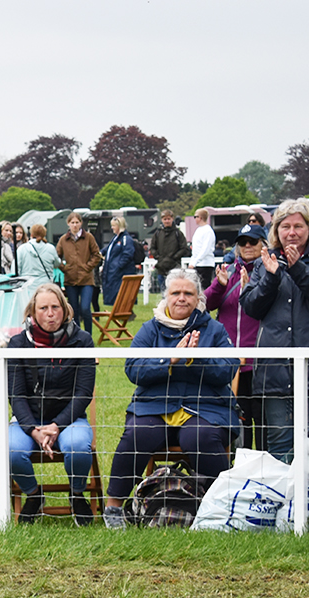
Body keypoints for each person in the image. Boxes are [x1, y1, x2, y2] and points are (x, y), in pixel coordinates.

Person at [103, 269, 237, 527]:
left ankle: (219, 508)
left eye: (188, 293)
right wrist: (170, 359)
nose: (182, 298)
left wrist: (195, 359)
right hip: (154, 407)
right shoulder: (149, 329)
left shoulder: (215, 330)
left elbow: (227, 370)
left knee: (200, 437)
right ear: (166, 296)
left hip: (205, 409)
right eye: (176, 293)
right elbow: (133, 369)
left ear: (199, 299)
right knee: (138, 435)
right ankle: (114, 508)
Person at [7, 284, 97, 524]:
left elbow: (84, 393)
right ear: (33, 312)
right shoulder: (18, 343)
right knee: (12, 450)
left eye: (55, 307)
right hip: (28, 420)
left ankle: (77, 494)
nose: (50, 313)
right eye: (43, 308)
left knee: (78, 447)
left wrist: (57, 425)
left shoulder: (82, 340)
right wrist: (32, 430)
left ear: (65, 309)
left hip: (70, 419)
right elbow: (15, 395)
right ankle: (34, 495)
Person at [239, 198, 309, 464]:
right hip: (274, 370)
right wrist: (271, 276)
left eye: (298, 226)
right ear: (276, 231)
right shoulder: (263, 262)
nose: (292, 232)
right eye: (285, 226)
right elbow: (252, 308)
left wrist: (298, 269)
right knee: (279, 442)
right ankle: (285, 504)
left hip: (306, 367)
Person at [205, 223, 264, 450]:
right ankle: (239, 469)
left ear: (263, 244)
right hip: (230, 364)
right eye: (243, 242)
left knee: (261, 421)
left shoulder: (269, 271)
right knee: (236, 422)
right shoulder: (227, 271)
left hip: (259, 362)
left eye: (253, 241)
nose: (247, 246)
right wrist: (220, 286)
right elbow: (207, 304)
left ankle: (264, 472)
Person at [55, 211, 103, 334]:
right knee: (74, 310)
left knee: (85, 308)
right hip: (70, 280)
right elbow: (56, 257)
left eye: (77, 222)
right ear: (68, 224)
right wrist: (64, 268)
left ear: (81, 223)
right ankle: (76, 336)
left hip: (86, 279)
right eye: (72, 223)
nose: (75, 225)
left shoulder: (89, 238)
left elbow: (96, 255)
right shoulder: (63, 240)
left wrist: (87, 267)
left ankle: (88, 335)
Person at [100, 215, 141, 307]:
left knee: (121, 293)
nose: (112, 228)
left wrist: (118, 266)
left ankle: (124, 311)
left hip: (120, 272)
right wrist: (100, 252)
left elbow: (128, 254)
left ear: (119, 226)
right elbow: (108, 248)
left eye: (114, 225)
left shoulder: (126, 239)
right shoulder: (115, 238)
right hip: (113, 271)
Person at [149, 208, 191, 291]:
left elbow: (184, 248)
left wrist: (174, 257)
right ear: (162, 220)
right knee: (163, 292)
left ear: (172, 219)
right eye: (165, 219)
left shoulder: (178, 233)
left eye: (168, 219)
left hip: (175, 268)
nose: (167, 221)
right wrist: (158, 257)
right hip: (161, 268)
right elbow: (152, 248)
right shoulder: (157, 233)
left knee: (175, 291)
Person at [190, 207, 217, 288]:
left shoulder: (208, 231)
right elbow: (196, 249)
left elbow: (205, 249)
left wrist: (195, 262)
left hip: (205, 264)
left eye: (195, 217)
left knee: (204, 287)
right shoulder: (198, 230)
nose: (194, 219)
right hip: (198, 264)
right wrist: (193, 262)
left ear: (200, 217)